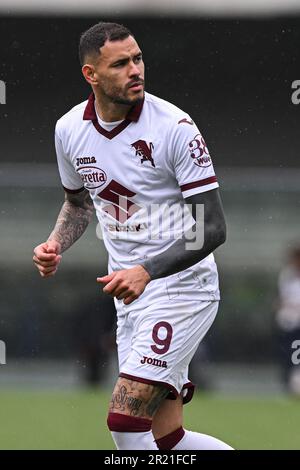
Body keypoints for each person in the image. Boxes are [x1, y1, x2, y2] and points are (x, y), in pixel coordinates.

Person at [33, 22, 233, 450]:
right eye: (121, 63)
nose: (135, 70)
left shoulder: (175, 127)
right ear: (92, 74)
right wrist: (54, 244)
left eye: (138, 58)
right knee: (168, 441)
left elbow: (212, 228)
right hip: (130, 296)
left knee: (124, 421)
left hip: (182, 287)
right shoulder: (69, 130)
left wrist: (146, 269)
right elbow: (80, 203)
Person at [276, 245, 300, 394]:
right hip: (288, 322)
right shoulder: (287, 275)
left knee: (296, 355)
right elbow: (282, 298)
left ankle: (295, 383)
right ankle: (290, 384)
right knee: (287, 355)